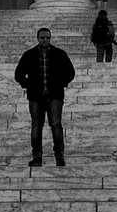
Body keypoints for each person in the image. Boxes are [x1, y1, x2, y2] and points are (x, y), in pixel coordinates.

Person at [13, 28, 76, 166]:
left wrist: (61, 83)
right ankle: (37, 157)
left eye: (48, 37)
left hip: (55, 96)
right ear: (37, 38)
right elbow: (18, 74)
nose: (45, 40)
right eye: (42, 37)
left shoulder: (59, 54)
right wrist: (28, 85)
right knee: (36, 126)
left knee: (56, 125)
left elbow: (70, 72)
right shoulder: (29, 55)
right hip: (36, 96)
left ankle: (59, 157)